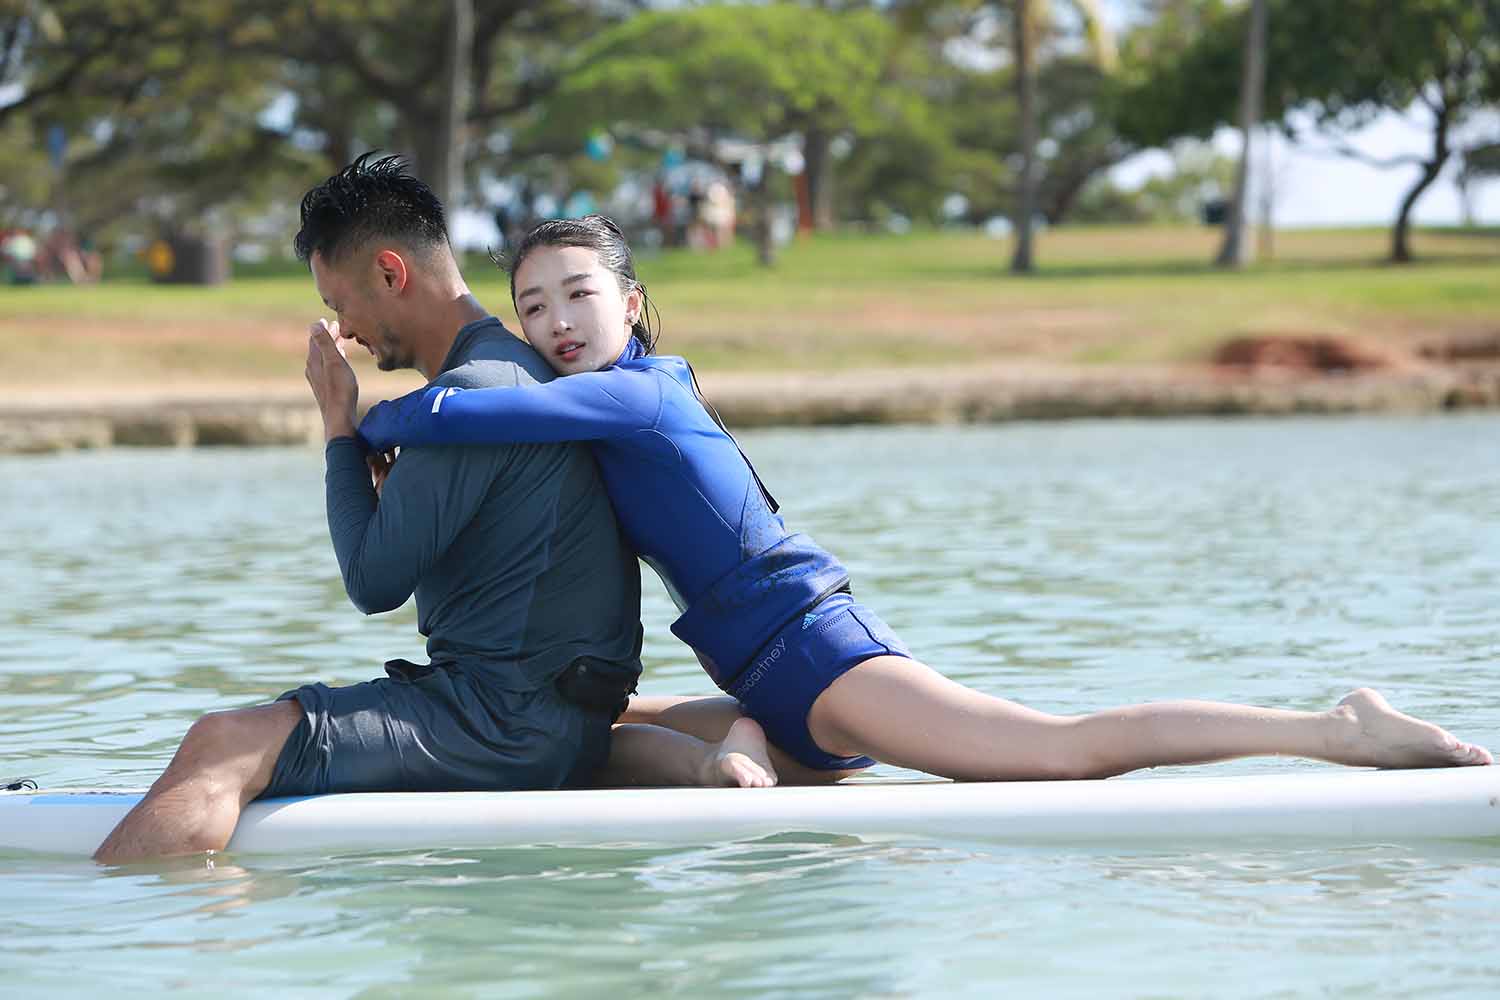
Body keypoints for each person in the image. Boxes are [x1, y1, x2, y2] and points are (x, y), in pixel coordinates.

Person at [358, 215, 1494, 786]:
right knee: (592, 723)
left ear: (633, 303)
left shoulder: (636, 397)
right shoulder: (607, 411)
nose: (557, 322)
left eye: (579, 295)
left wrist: (364, 421)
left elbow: (473, 416)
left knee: (1064, 752)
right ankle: (739, 742)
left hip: (814, 652)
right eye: (533, 306)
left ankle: (1336, 728)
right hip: (761, 676)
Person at [92, 160, 764, 865]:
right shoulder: (507, 375)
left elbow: (372, 582)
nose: (343, 329)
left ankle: (122, 920)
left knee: (223, 743)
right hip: (547, 719)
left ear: (391, 273)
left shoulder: (473, 397)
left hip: (505, 727)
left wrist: (339, 427)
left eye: (339, 302)